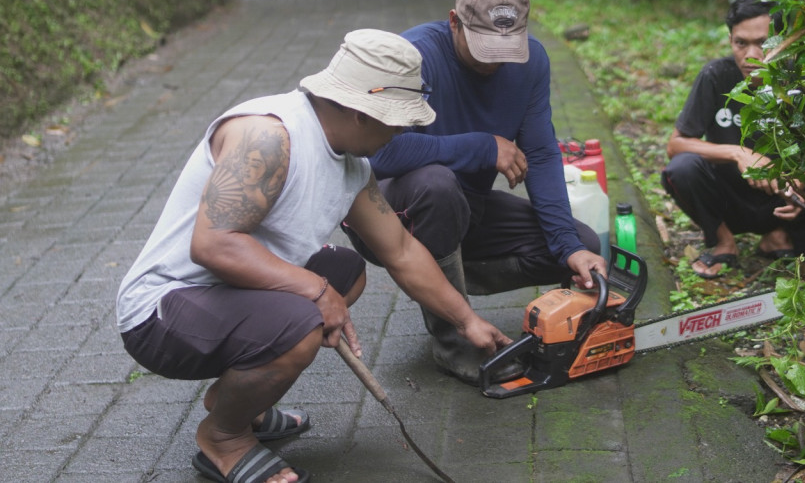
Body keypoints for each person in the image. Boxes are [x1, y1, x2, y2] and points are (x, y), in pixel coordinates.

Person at [116, 29, 511, 483]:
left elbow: (401, 250)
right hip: (163, 311)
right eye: (398, 120)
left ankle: (245, 404)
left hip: (229, 292)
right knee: (302, 323)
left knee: (346, 273)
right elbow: (214, 245)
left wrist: (467, 321)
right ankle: (223, 439)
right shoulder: (268, 136)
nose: (402, 131)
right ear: (362, 112)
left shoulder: (352, 165)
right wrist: (315, 291)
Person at [344, 0, 607, 385]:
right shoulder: (414, 55)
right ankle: (453, 341)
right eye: (485, 45)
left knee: (579, 244)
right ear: (454, 21)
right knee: (438, 183)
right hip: (395, 212)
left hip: (466, 208)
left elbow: (539, 153)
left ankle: (443, 285)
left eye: (508, 45)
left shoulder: (532, 62)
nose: (497, 58)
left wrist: (569, 246)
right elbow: (377, 152)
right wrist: (483, 146)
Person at [661, 0, 805, 279]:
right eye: (740, 43)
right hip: (729, 196)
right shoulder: (716, 76)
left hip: (785, 200)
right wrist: (739, 153)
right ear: (730, 41)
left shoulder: (802, 81)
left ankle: (780, 236)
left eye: (762, 43)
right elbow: (676, 145)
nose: (750, 56)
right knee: (681, 168)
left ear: (783, 42)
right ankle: (724, 241)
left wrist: (803, 185)